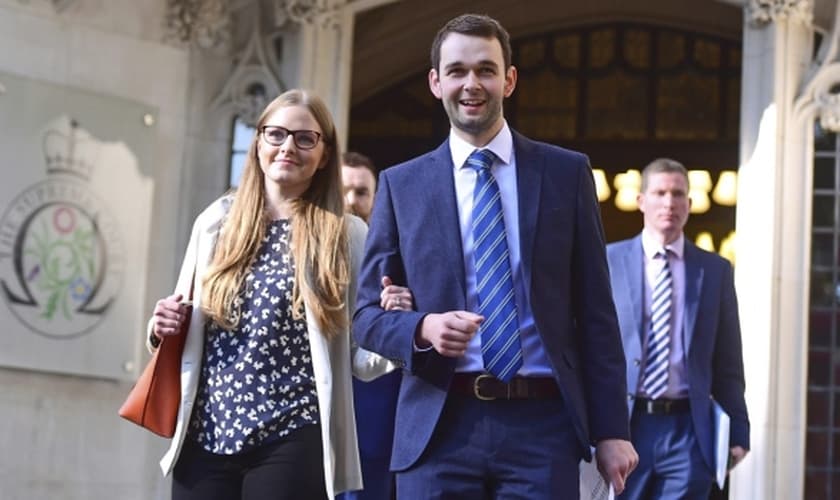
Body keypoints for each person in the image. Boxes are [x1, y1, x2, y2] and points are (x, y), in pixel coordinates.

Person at [352, 13, 638, 500]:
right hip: (438, 424)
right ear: (435, 81)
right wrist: (422, 328)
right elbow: (364, 318)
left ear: (509, 79)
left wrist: (612, 428)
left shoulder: (566, 174)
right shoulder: (402, 186)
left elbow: (596, 314)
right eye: (458, 70)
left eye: (486, 70)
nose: (471, 84)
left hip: (542, 426)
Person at [147, 89, 401, 500]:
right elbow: (182, 320)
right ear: (258, 143)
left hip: (293, 435)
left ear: (324, 154)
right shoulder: (215, 222)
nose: (288, 147)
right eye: (276, 134)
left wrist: (393, 329)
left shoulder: (345, 233)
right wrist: (160, 326)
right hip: (206, 435)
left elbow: (362, 358)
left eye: (305, 138)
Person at [606, 158, 749, 499]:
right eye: (659, 192)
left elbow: (729, 358)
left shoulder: (714, 271)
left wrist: (739, 430)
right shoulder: (607, 261)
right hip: (625, 424)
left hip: (689, 431)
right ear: (641, 201)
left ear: (690, 203)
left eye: (678, 194)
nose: (669, 202)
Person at [338, 151, 401, 500]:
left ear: (376, 200)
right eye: (343, 190)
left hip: (373, 402)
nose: (351, 200)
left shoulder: (395, 256)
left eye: (361, 192)